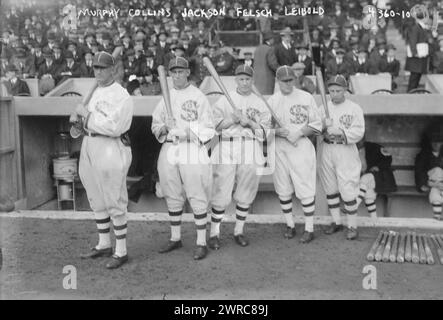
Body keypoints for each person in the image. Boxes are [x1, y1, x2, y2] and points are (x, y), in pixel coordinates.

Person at [73, 51, 133, 269]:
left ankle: (121, 251)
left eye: (102, 68)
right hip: (89, 144)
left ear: (113, 70)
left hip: (110, 145)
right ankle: (104, 244)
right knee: (95, 197)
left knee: (113, 198)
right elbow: (85, 123)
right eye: (96, 68)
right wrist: (79, 121)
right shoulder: (94, 92)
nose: (98, 71)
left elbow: (115, 127)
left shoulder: (122, 95)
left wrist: (87, 116)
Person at [151, 57, 215, 260]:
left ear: (188, 72)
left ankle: (201, 242)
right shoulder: (165, 97)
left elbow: (209, 128)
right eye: (173, 72)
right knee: (172, 193)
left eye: (181, 71)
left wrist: (187, 132)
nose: (177, 75)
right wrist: (164, 127)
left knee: (196, 193)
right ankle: (175, 237)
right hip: (169, 146)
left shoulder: (198, 97)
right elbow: (155, 125)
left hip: (191, 148)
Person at [208, 65, 271, 250]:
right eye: (241, 79)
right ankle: (214, 233)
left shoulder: (260, 102)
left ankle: (239, 231)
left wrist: (250, 123)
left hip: (251, 146)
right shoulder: (224, 100)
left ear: (253, 80)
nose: (244, 82)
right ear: (236, 80)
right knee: (221, 189)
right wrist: (232, 120)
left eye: (248, 79)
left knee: (247, 188)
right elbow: (213, 126)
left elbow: (267, 133)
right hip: (227, 144)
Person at [267, 66, 322, 242]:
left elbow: (317, 124)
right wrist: (276, 132)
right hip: (279, 146)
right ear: (277, 81)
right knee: (282, 187)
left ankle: (309, 228)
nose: (288, 83)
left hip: (300, 145)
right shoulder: (271, 100)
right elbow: (262, 129)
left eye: (290, 80)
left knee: (305, 186)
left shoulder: (305, 97)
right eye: (284, 80)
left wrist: (298, 133)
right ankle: (290, 225)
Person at [319, 75, 365, 240]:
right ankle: (336, 222)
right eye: (331, 91)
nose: (334, 94)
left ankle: (352, 226)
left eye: (338, 90)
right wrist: (323, 125)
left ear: (345, 90)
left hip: (345, 149)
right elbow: (315, 128)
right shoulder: (323, 107)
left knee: (347, 187)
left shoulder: (354, 108)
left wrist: (341, 132)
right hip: (327, 148)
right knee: (330, 187)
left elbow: (360, 131)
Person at [356, 138, 397, 218]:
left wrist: (378, 167)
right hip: (367, 183)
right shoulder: (350, 150)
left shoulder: (374, 147)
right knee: (369, 196)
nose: (357, 143)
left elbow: (388, 159)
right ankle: (374, 219)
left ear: (363, 139)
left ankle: (354, 206)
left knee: (365, 178)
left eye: (359, 140)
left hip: (381, 178)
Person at [415, 126, 443, 220]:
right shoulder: (423, 155)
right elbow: (419, 171)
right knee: (435, 196)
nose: (436, 144)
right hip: (432, 183)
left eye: (439, 142)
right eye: (433, 142)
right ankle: (437, 217)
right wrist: (424, 183)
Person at [405, 13, 430, 92]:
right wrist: (414, 53)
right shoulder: (416, 28)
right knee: (414, 78)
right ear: (422, 19)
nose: (427, 20)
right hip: (416, 57)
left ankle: (413, 93)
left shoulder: (422, 28)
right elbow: (413, 41)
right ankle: (410, 94)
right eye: (426, 18)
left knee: (417, 76)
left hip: (421, 56)